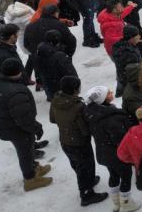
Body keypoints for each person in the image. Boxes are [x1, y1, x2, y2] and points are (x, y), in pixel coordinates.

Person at [0, 58, 53, 191]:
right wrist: (36, 128)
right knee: (25, 152)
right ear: (18, 72)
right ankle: (30, 179)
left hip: (6, 126)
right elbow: (23, 118)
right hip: (16, 129)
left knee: (27, 149)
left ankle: (34, 168)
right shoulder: (15, 91)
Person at [50, 76, 109, 206]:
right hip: (79, 142)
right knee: (85, 166)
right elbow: (84, 130)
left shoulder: (56, 100)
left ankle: (89, 180)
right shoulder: (78, 106)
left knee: (77, 165)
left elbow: (52, 119)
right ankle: (86, 194)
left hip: (65, 140)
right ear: (76, 89)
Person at [85, 85, 142, 212]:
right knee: (126, 175)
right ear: (103, 99)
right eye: (108, 93)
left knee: (113, 175)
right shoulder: (111, 118)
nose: (112, 92)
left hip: (103, 154)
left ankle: (116, 203)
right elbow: (121, 139)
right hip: (118, 154)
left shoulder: (94, 115)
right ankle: (126, 203)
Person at [36, 29, 78, 101]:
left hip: (49, 86)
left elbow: (38, 70)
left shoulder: (39, 52)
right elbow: (70, 72)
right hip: (62, 88)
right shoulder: (59, 56)